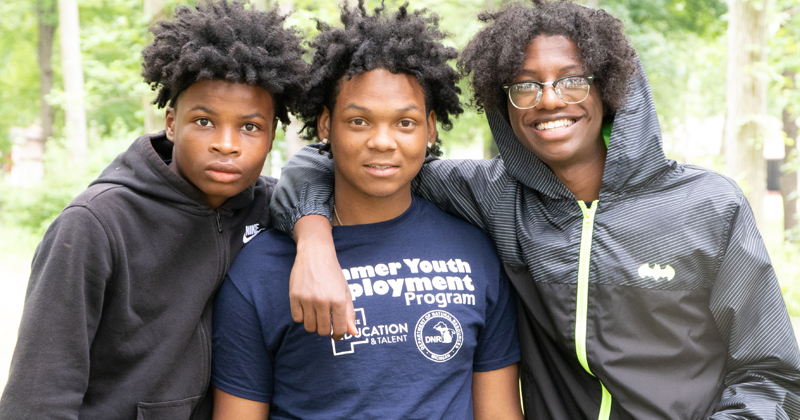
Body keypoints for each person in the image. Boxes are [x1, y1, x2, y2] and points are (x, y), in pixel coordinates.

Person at [269, 0, 800, 418]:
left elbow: (771, 374)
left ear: (609, 88)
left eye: (571, 79)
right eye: (526, 86)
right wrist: (314, 239)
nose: (549, 100)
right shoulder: (489, 195)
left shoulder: (707, 205)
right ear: (504, 103)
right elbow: (335, 159)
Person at [210, 3, 522, 419]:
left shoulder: (475, 249)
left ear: (430, 129)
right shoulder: (261, 268)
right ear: (325, 126)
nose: (382, 141)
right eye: (359, 121)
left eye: (405, 123)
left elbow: (498, 412)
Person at [0, 1, 307, 418]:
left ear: (271, 137)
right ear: (170, 122)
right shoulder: (95, 225)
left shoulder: (273, 209)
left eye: (250, 127)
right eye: (204, 121)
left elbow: (338, 171)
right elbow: (37, 400)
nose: (227, 143)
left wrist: (317, 242)